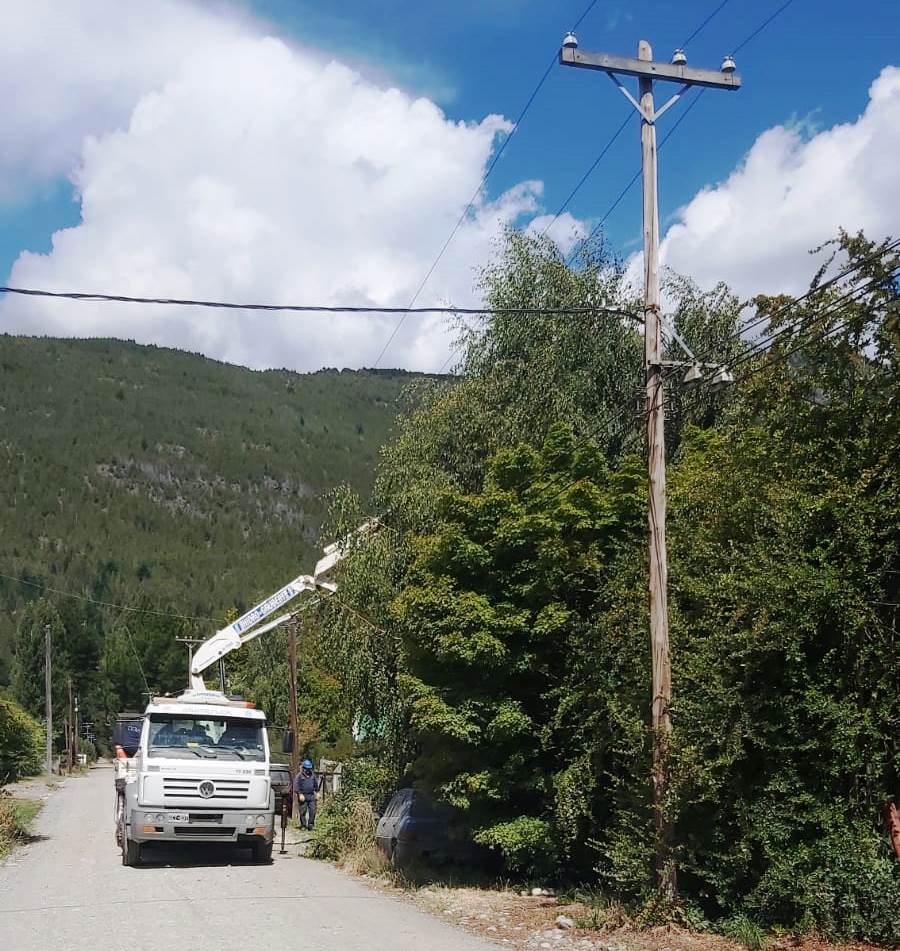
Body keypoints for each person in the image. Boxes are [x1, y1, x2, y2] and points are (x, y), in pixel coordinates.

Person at [294, 759, 322, 830]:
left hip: (311, 795)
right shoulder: (299, 776)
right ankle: (303, 825)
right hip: (303, 796)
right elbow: (296, 786)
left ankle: (310, 825)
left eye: (309, 768)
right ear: (303, 768)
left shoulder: (313, 775)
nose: (308, 770)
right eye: (306, 768)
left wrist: (318, 792)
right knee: (302, 812)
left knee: (313, 810)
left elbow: (315, 785)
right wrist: (300, 794)